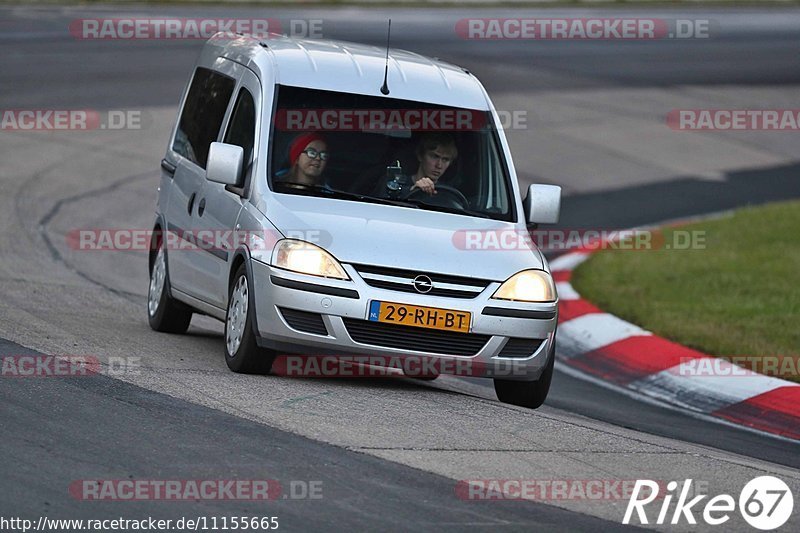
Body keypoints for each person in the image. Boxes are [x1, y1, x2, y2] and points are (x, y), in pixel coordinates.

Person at [379, 133, 458, 199]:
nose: (439, 165)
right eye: (434, 156)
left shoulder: (449, 194)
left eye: (445, 159)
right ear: (420, 156)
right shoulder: (394, 185)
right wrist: (411, 191)